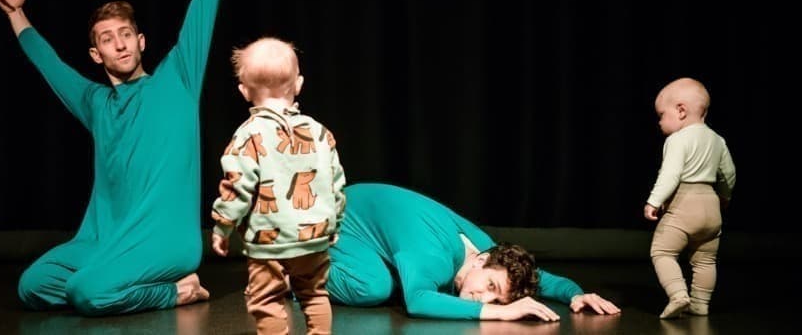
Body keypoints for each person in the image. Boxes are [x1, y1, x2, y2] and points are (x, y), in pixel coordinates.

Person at [0, 0, 262, 316]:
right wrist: (15, 14)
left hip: (165, 241)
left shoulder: (177, 79)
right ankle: (115, 282)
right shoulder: (95, 103)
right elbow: (49, 65)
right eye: (107, 38)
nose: (118, 43)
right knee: (32, 285)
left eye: (125, 34)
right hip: (103, 241)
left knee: (85, 292)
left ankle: (177, 291)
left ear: (141, 41)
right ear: (95, 53)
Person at [326, 183, 621, 321]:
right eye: (491, 287)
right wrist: (501, 312)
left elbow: (541, 279)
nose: (486, 297)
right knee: (373, 287)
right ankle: (299, 267)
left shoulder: (490, 253)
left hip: (375, 230)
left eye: (497, 299)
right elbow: (417, 300)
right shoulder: (434, 255)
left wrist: (576, 294)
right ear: (480, 262)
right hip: (339, 221)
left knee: (395, 281)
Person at [210, 36, 347, 335]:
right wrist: (334, 224)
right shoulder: (319, 132)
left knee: (266, 299)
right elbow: (336, 184)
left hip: (268, 243)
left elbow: (236, 187)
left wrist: (223, 227)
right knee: (315, 294)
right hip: (314, 236)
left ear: (244, 91)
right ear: (298, 84)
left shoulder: (247, 135)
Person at [644, 77, 737, 318]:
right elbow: (729, 174)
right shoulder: (718, 140)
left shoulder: (677, 139)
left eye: (661, 115)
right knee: (705, 260)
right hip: (712, 206)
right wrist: (725, 197)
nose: (659, 122)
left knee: (662, 252)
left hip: (684, 205)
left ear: (681, 111)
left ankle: (678, 295)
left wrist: (654, 200)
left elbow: (671, 174)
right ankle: (700, 304)